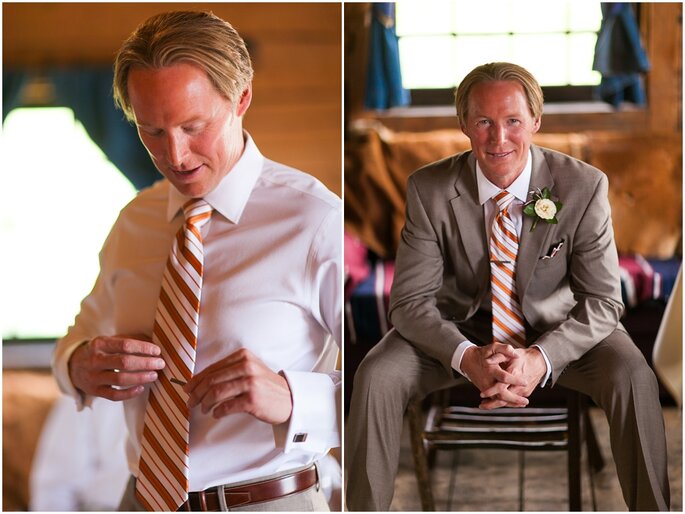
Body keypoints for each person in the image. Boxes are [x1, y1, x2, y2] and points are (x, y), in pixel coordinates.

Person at [345, 62, 669, 511]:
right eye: (484, 122)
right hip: (460, 329)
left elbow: (602, 302)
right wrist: (465, 356)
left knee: (633, 375)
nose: (499, 139)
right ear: (464, 124)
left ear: (536, 121)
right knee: (376, 375)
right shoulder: (428, 188)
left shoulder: (583, 186)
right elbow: (409, 303)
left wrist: (541, 358)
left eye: (513, 121)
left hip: (556, 330)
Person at [52, 10, 341, 512]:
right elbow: (75, 342)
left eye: (193, 126)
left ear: (241, 99)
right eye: (152, 131)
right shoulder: (133, 223)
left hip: (268, 502)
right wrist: (80, 364)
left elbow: (389, 377)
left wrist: (294, 399)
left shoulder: (315, 219)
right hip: (140, 499)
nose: (176, 155)